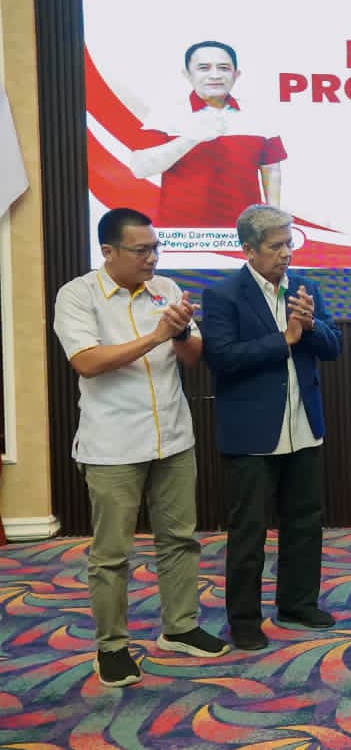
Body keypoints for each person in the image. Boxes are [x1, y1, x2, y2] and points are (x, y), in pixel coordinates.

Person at [52, 208, 229, 687]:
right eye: (141, 250)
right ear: (108, 252)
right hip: (112, 445)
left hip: (173, 436)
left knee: (180, 539)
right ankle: (112, 647)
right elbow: (87, 361)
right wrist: (156, 335)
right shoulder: (77, 295)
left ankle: (180, 626)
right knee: (111, 553)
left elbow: (192, 357)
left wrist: (182, 332)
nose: (152, 258)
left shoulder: (166, 289)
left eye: (155, 248)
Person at [200, 205, 343, 650]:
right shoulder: (224, 295)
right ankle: (244, 619)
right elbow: (222, 358)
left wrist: (311, 326)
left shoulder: (305, 288)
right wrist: (284, 339)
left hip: (303, 425)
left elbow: (334, 346)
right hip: (253, 433)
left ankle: (298, 603)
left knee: (305, 521)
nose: (286, 254)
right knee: (250, 530)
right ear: (249, 250)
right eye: (276, 246)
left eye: (289, 244)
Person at [129, 40, 286, 228]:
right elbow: (140, 169)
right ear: (187, 74)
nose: (215, 75)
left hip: (245, 231)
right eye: (204, 68)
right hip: (183, 233)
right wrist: (191, 138)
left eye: (224, 68)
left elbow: (271, 169)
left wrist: (274, 220)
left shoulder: (258, 113)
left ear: (236, 74)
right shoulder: (166, 114)